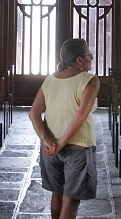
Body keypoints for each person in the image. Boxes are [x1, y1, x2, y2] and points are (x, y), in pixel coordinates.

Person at [29, 38, 100, 219]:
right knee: (71, 200)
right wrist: (60, 144)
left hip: (50, 149)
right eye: (88, 55)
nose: (91, 58)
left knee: (57, 194)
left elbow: (34, 113)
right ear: (79, 60)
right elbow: (80, 117)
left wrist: (48, 141)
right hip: (78, 147)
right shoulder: (89, 80)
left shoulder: (50, 80)